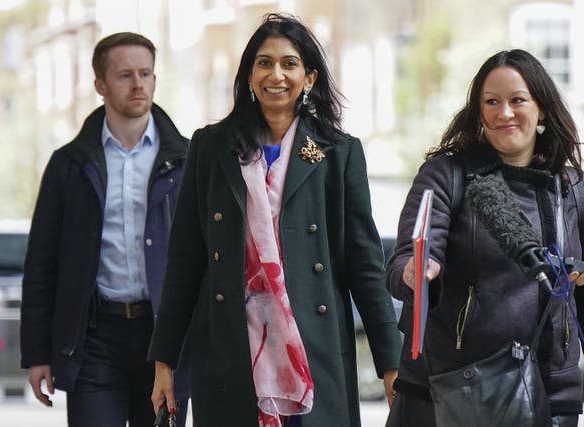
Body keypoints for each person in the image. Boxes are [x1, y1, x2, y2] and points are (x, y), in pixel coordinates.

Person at [148, 13, 401, 427]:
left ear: (310, 78)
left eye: (289, 63)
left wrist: (390, 364)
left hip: (313, 352)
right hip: (230, 349)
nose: (276, 74)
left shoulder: (338, 152)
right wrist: (164, 360)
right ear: (249, 75)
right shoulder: (211, 148)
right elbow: (185, 261)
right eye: (264, 63)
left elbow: (365, 267)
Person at [385, 48, 584, 427]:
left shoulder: (571, 186)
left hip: (550, 398)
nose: (504, 112)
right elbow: (406, 260)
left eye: (517, 100)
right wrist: (415, 273)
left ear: (541, 109)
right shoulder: (446, 175)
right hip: (448, 394)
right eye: (492, 102)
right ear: (479, 113)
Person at [20, 32, 190, 426]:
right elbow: (41, 263)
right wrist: (37, 354)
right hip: (95, 339)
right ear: (100, 84)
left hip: (163, 341)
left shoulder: (185, 161)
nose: (138, 84)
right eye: (125, 75)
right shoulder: (70, 165)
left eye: (146, 74)